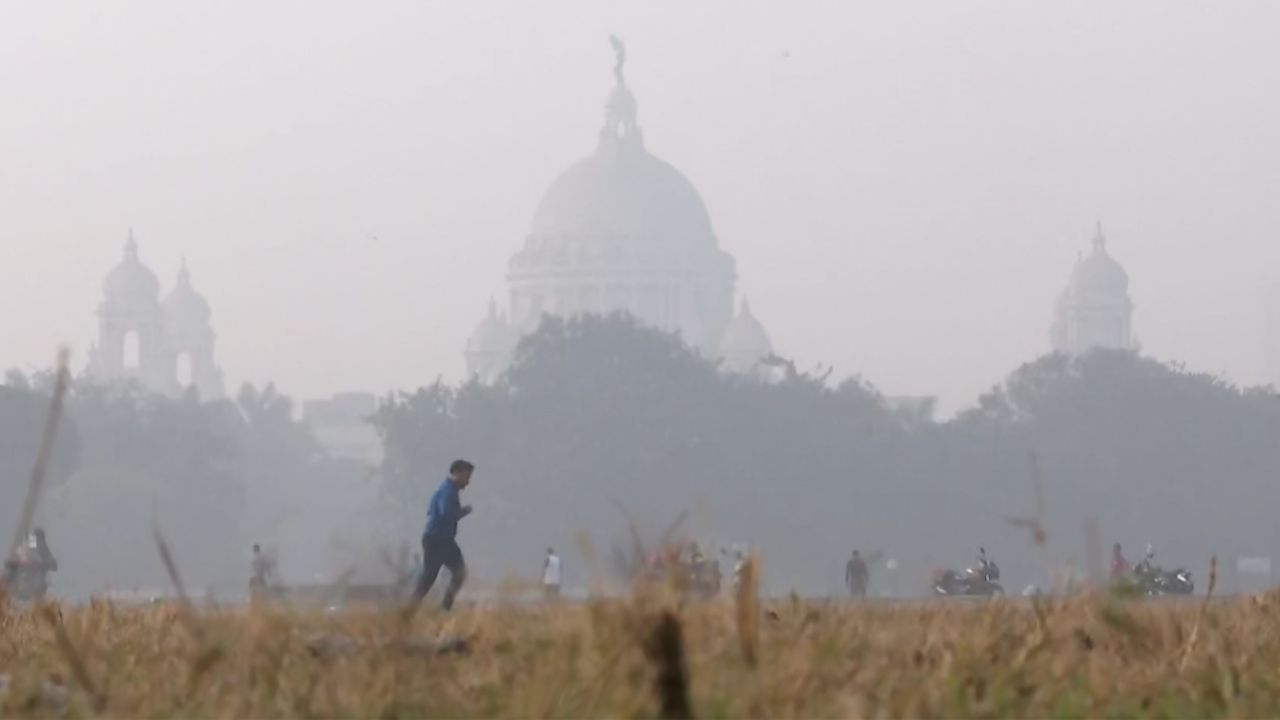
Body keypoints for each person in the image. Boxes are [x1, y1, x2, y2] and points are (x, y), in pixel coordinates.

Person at [411, 459, 474, 611]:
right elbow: (446, 514)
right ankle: (440, 609)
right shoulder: (448, 491)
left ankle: (414, 610)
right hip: (438, 540)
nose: (468, 482)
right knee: (439, 576)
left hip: (440, 539)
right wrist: (463, 511)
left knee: (440, 576)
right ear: (457, 473)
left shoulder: (448, 490)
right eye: (466, 477)